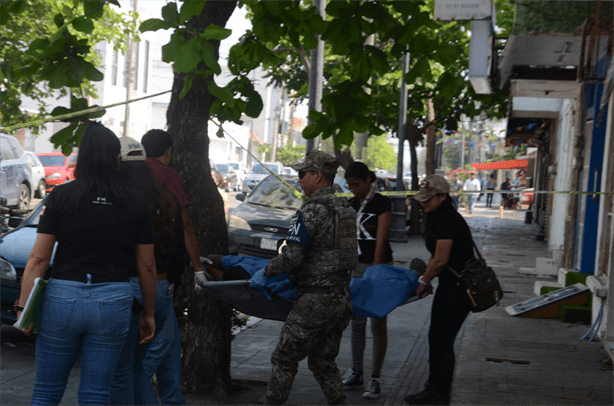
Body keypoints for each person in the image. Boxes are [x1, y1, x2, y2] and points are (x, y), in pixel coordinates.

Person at [16, 122, 157, 406]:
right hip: (114, 299)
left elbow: (39, 258)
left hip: (62, 297)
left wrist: (24, 308)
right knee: (96, 394)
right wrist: (149, 313)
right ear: (115, 158)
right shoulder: (135, 200)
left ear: (83, 156)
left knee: (46, 391)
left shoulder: (62, 196)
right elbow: (147, 266)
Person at [251, 150, 357, 405]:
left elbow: (292, 257)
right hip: (341, 300)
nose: (299, 179)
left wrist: (265, 272)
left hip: (315, 303)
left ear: (317, 176)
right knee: (322, 360)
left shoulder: (311, 212)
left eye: (302, 174)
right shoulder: (345, 209)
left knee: (284, 358)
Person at [111, 137, 188, 405]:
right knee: (135, 370)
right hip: (163, 290)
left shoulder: (121, 199)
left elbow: (142, 262)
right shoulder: (165, 198)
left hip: (132, 287)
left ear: (118, 162)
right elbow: (180, 247)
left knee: (121, 372)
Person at [403, 175, 475, 406]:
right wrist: (428, 278)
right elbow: (436, 256)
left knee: (441, 340)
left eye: (428, 199)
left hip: (458, 289)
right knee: (437, 338)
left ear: (443, 196)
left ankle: (439, 393)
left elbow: (441, 260)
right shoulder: (437, 217)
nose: (423, 203)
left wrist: (424, 281)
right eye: (421, 199)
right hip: (450, 285)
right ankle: (434, 387)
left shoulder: (447, 219)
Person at [342, 162, 393, 399]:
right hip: (356, 267)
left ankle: (375, 378)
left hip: (378, 265)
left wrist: (376, 269)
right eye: (350, 185)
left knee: (378, 322)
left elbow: (381, 240)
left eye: (357, 184)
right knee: (357, 321)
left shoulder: (381, 202)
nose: (353, 189)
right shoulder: (351, 204)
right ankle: (357, 371)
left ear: (369, 180)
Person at [140, 129, 205, 289]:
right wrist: (198, 269)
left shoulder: (130, 171)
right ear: (168, 152)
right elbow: (185, 225)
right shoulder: (168, 175)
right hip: (161, 261)